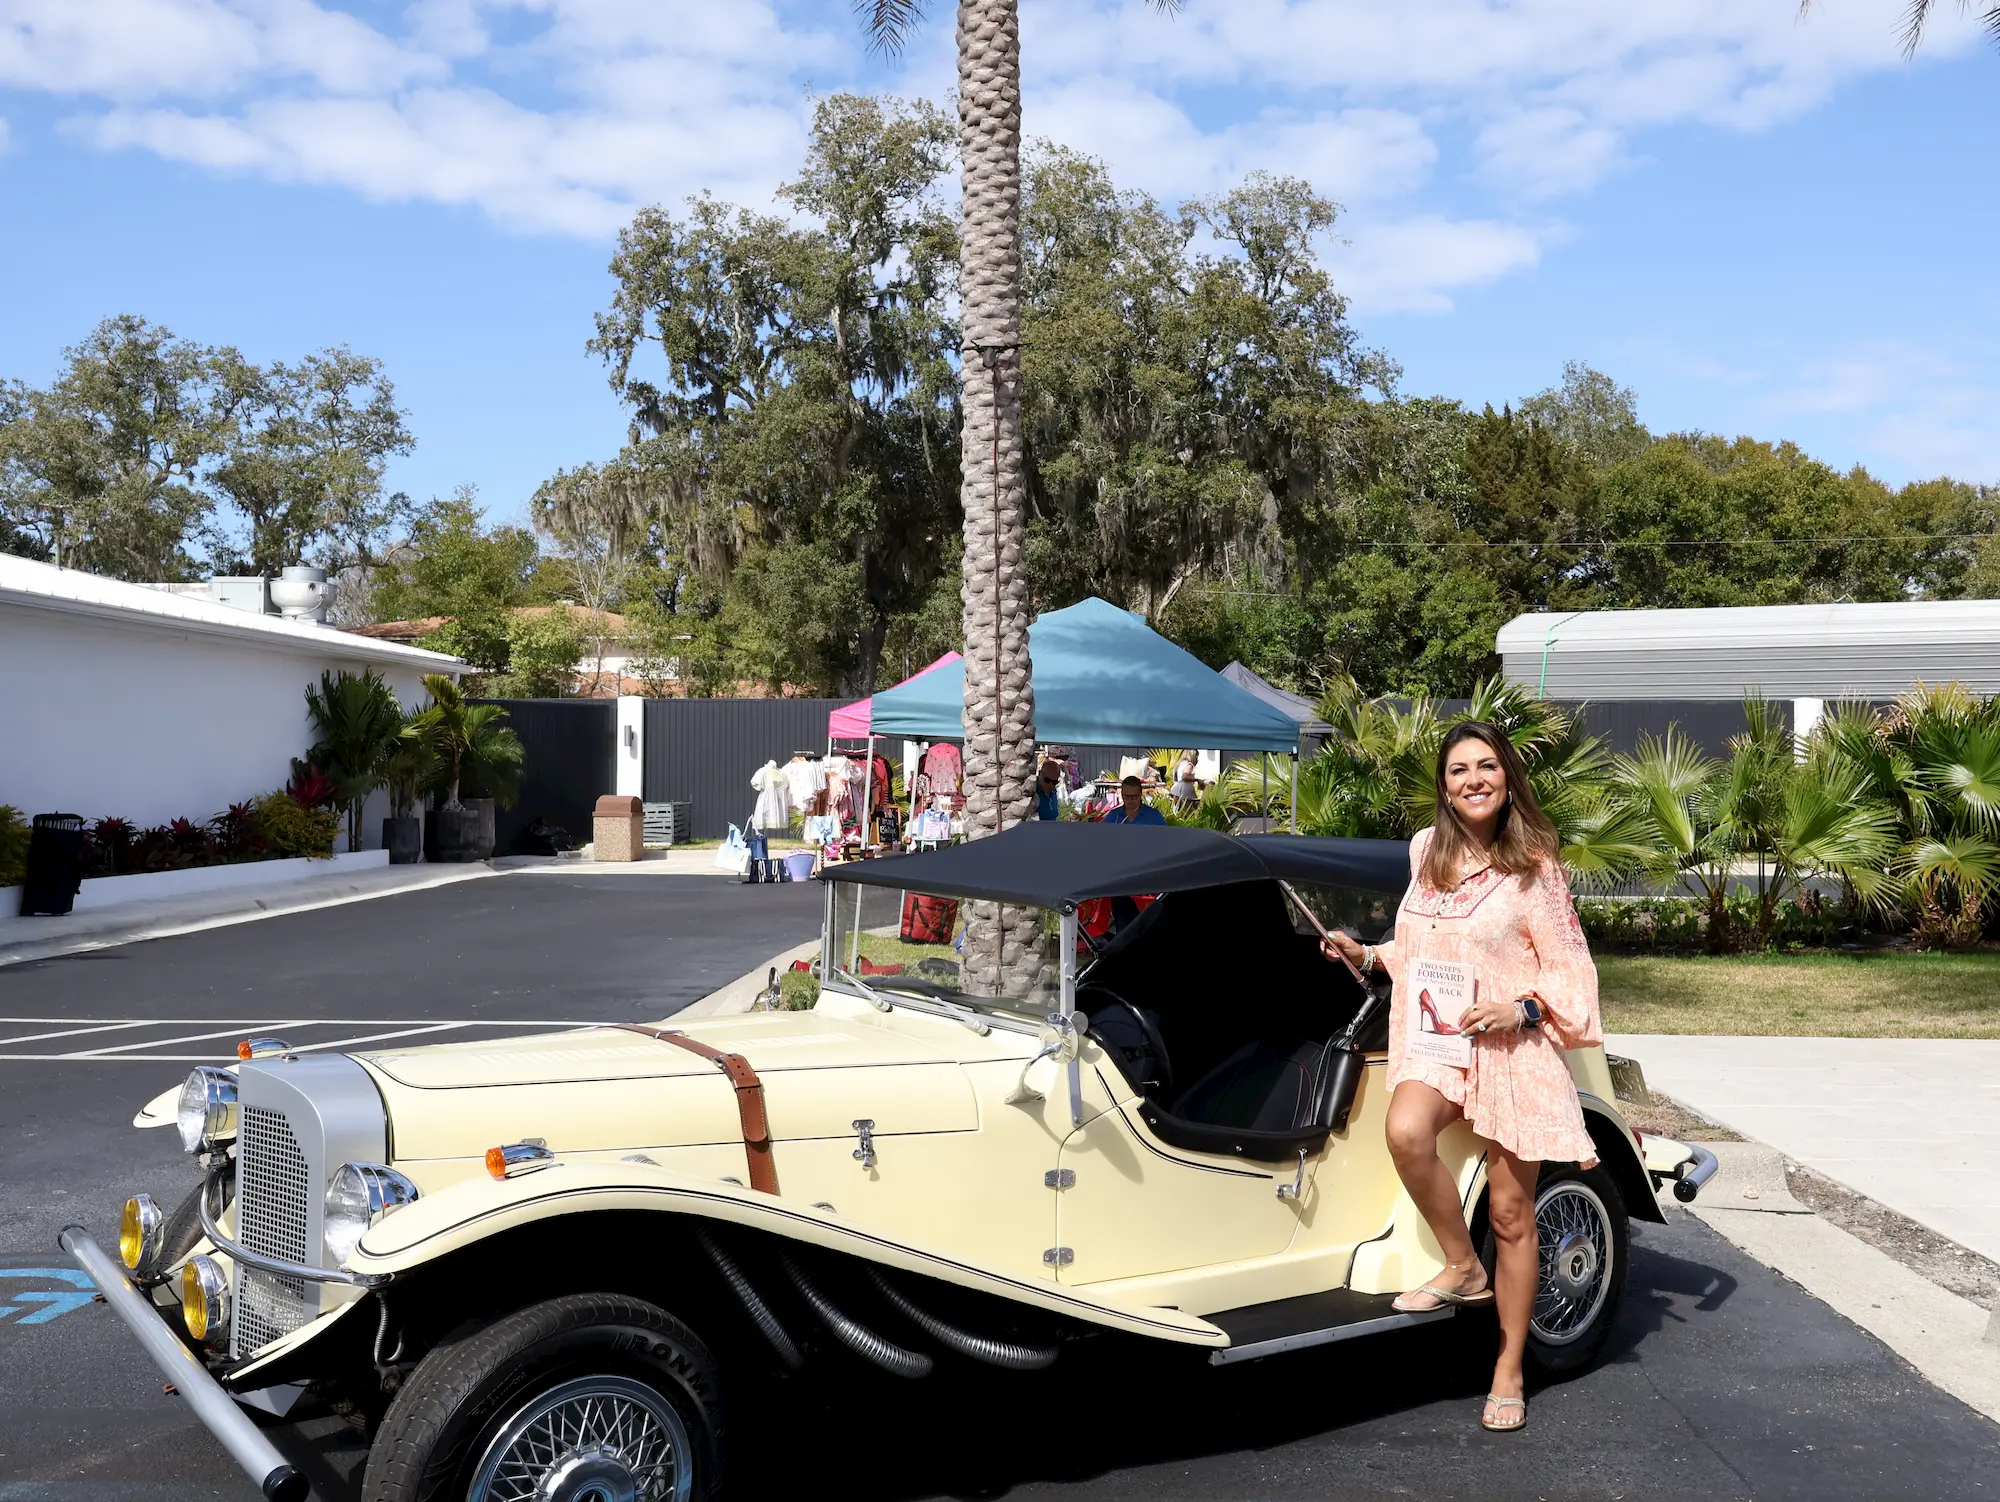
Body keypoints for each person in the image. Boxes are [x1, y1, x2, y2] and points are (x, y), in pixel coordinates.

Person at [1321, 721, 1601, 1437]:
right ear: (1443, 786)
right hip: (1440, 1040)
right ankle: (1460, 1265)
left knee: (1512, 1215)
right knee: (1405, 1131)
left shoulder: (1535, 865)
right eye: (1457, 770)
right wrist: (1370, 952)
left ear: (1507, 778)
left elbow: (1570, 967)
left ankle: (1508, 1367)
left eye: (1486, 767)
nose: (1472, 780)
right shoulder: (1426, 850)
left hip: (1513, 1048)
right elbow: (1421, 944)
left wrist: (1523, 1006)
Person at [1100, 774, 1165, 826]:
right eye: (1126, 796)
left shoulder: (1154, 816)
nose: (1130, 800)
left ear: (1140, 794)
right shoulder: (1113, 815)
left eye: (1134, 797)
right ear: (1122, 794)